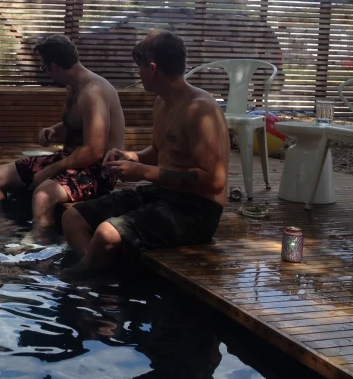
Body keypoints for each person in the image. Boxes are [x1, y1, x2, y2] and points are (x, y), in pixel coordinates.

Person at [61, 30, 229, 277]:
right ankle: (100, 277)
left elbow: (215, 180)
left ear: (152, 69)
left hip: (196, 211)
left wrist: (143, 172)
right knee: (72, 219)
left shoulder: (200, 110)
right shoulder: (162, 102)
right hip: (163, 194)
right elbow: (160, 151)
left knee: (106, 233)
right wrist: (131, 157)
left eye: (138, 68)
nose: (137, 74)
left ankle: (81, 281)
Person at [0, 34, 125, 227]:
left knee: (42, 196)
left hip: (99, 170)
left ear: (55, 66)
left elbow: (94, 151)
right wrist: (55, 129)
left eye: (44, 67)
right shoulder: (73, 86)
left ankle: (41, 247)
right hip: (70, 159)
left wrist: (48, 171)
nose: (45, 72)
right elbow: (82, 122)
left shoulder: (93, 92)